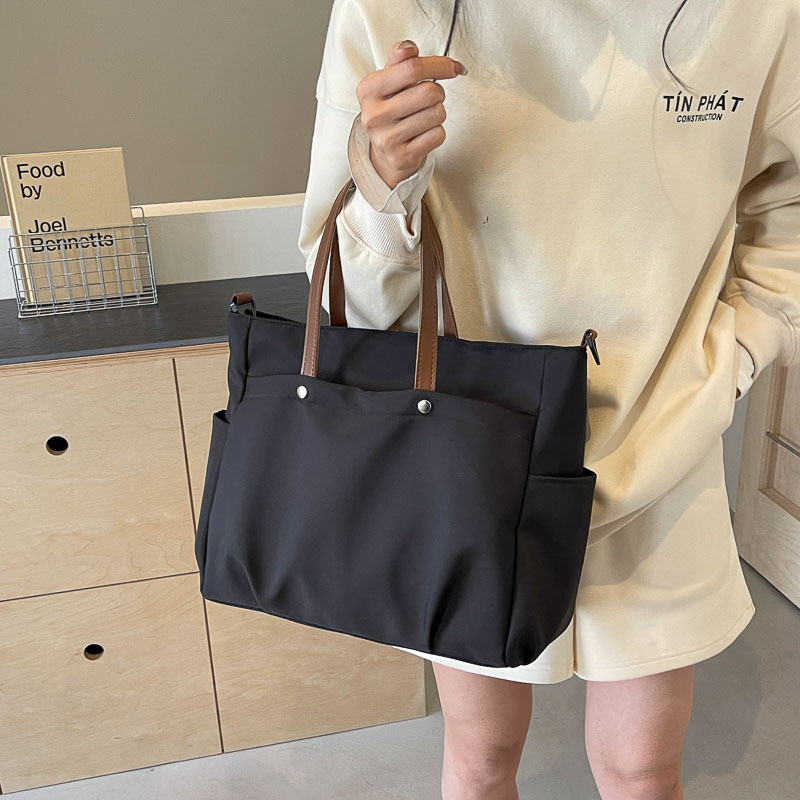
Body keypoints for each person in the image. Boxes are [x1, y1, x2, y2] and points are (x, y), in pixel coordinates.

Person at [297, 1, 800, 797]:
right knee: (481, 753)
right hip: (470, 447)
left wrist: (735, 356)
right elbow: (346, 287)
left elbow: (787, 213)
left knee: (642, 770)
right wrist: (384, 178)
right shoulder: (391, 8)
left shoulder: (759, 12)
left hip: (666, 431)